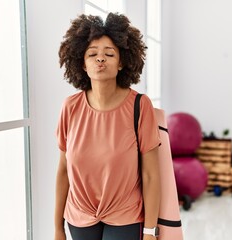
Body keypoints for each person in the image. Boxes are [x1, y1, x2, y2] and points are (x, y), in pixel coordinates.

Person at [55, 13, 161, 240]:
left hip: (125, 215)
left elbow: (151, 174)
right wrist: (57, 228)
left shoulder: (140, 106)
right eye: (92, 54)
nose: (100, 59)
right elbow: (64, 170)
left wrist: (151, 231)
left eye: (109, 54)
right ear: (82, 64)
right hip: (79, 216)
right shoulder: (70, 107)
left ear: (122, 62)